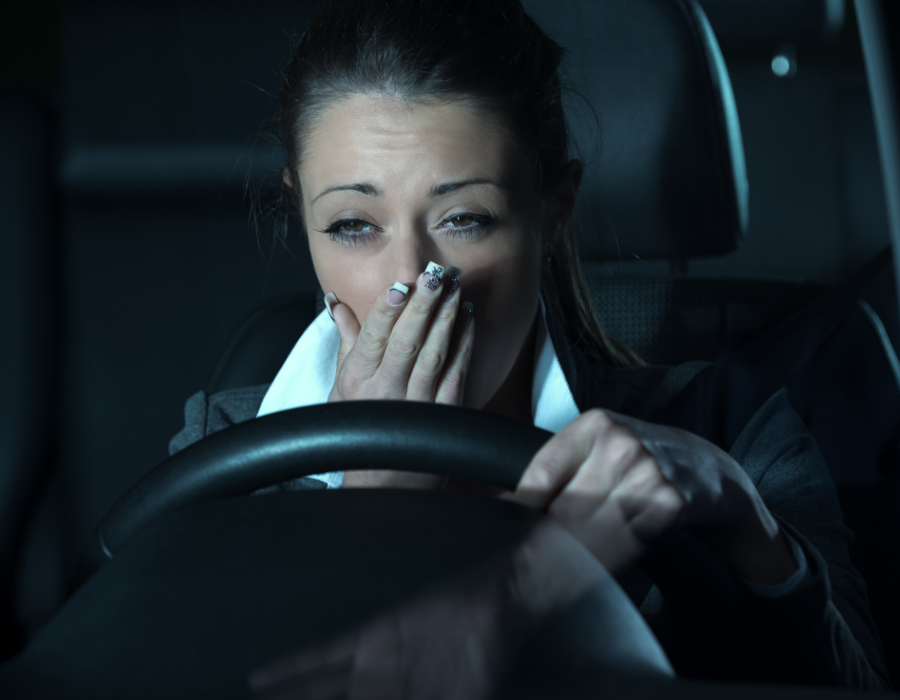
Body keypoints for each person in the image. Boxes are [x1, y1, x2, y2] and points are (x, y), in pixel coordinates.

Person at [169, 0, 891, 689]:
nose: (413, 282)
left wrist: (744, 520)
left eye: (465, 219)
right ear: (303, 218)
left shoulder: (736, 433)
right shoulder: (225, 456)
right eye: (354, 225)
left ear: (552, 212)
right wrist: (371, 512)